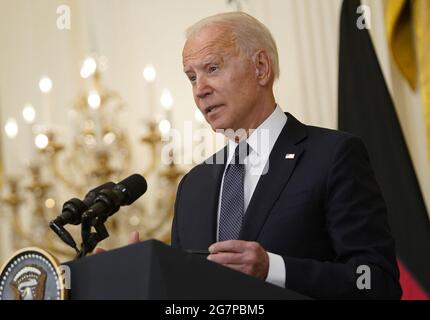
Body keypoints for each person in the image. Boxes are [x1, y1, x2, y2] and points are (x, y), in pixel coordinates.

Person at [170, 12, 402, 299]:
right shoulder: (193, 185)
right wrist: (130, 275)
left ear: (261, 67)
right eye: (191, 77)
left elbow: (376, 281)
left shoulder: (332, 157)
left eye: (213, 68)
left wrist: (274, 270)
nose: (200, 90)